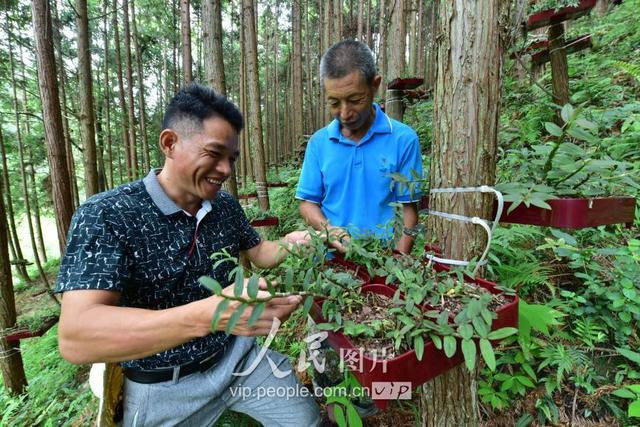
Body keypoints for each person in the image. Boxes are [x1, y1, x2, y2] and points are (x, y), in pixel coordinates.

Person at [55, 83, 320, 426]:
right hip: (162, 384)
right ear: (170, 143)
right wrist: (214, 314)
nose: (225, 170)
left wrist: (293, 243)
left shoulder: (223, 205)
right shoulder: (108, 214)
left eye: (231, 159)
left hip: (237, 358)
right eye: (214, 153)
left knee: (305, 420)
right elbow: (76, 337)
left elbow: (258, 252)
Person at [296, 40, 423, 254]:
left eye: (355, 100)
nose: (345, 113)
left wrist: (400, 261)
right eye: (334, 103)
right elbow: (307, 203)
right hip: (331, 263)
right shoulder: (319, 143)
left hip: (385, 261)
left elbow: (409, 210)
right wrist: (331, 231)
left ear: (374, 85)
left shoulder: (403, 140)